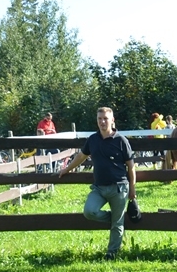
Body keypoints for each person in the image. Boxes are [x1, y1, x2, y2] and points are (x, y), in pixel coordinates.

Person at [58, 107, 136, 260]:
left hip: (119, 187)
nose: (102, 122)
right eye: (99, 119)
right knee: (90, 211)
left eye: (105, 118)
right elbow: (81, 156)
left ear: (112, 120)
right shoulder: (93, 139)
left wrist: (132, 189)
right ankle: (116, 220)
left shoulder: (121, 141)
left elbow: (131, 166)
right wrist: (67, 169)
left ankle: (111, 254)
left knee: (117, 224)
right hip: (99, 188)